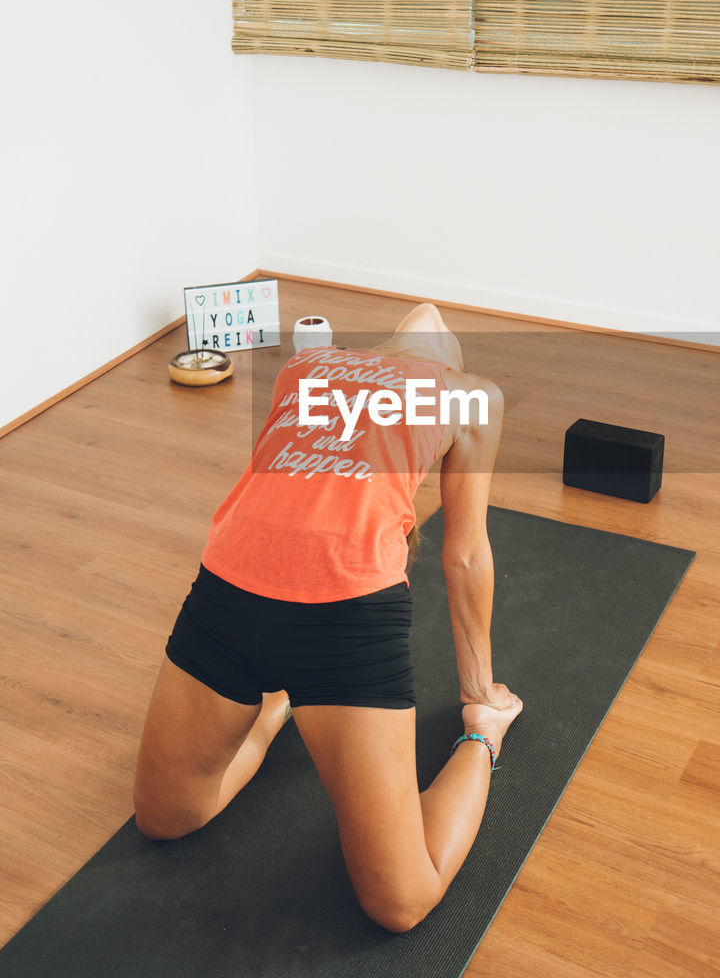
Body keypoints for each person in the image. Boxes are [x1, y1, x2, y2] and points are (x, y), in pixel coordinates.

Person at [133, 302, 523, 933]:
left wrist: (479, 699)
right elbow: (467, 553)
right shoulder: (315, 368)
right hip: (228, 587)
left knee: (400, 901)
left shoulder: (454, 393)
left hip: (347, 618)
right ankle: (277, 703)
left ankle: (485, 734)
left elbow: (464, 551)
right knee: (165, 817)